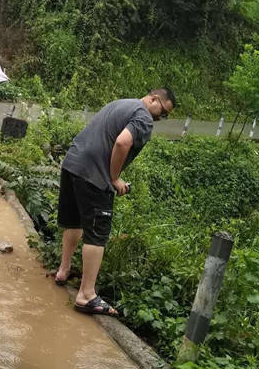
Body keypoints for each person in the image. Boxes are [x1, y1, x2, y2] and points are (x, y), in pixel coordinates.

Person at [54, 88, 176, 316]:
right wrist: (114, 177)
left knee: (75, 222)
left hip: (73, 164)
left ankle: (63, 270)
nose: (160, 118)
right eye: (163, 112)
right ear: (153, 99)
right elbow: (122, 142)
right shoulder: (143, 117)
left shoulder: (120, 103)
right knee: (97, 234)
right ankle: (86, 295)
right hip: (94, 174)